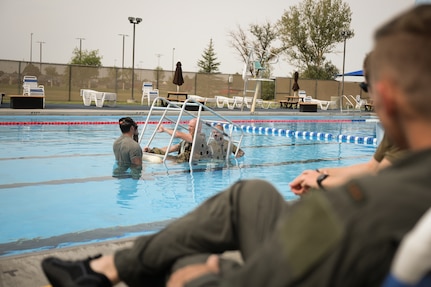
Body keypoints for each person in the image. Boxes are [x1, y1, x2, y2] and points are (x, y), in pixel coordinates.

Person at [42, 5, 431, 287]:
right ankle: (107, 268)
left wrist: (209, 272)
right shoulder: (405, 177)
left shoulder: (363, 206)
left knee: (184, 261)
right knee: (252, 193)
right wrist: (324, 174)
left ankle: (108, 272)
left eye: (368, 88)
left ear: (388, 96)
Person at [290, 52, 407, 195]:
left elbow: (379, 180)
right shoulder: (397, 124)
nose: (370, 97)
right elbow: (372, 168)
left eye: (365, 87)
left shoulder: (411, 129)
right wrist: (319, 173)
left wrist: (321, 181)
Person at [144, 118, 210, 163]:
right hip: (182, 162)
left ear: (199, 128)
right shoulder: (186, 140)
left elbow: (178, 134)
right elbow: (171, 148)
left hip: (196, 166)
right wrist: (152, 151)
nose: (188, 128)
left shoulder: (200, 138)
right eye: (188, 126)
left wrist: (164, 129)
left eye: (191, 127)